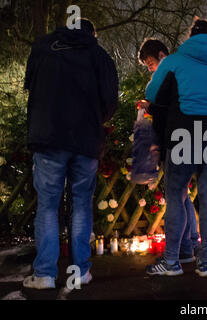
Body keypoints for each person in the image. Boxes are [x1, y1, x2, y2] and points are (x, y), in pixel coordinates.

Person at [23, 18, 118, 289]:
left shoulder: (43, 47)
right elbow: (111, 101)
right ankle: (80, 272)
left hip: (48, 136)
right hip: (86, 140)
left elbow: (31, 86)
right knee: (81, 205)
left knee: (48, 206)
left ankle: (44, 275)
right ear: (92, 33)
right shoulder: (99, 56)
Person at [143, 19, 207, 277]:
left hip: (183, 133)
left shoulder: (174, 61)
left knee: (176, 196)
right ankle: (205, 262)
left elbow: (152, 93)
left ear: (190, 37)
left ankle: (172, 262)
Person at [137, 38, 200, 263]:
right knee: (182, 197)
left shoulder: (171, 74)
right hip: (187, 140)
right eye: (147, 65)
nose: (151, 68)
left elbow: (171, 108)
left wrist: (149, 106)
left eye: (151, 63)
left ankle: (181, 252)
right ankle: (190, 243)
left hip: (176, 141)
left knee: (177, 197)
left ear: (162, 55)